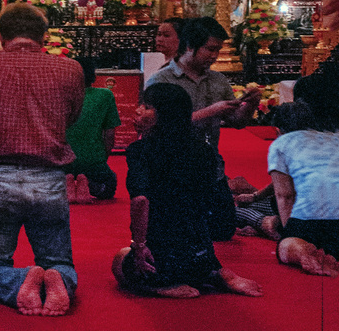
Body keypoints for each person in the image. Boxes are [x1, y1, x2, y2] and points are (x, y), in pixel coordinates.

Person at [0, 2, 85, 316]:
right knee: (58, 261)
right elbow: (70, 117)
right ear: (43, 38)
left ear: (0, 37)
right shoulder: (70, 69)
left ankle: (16, 283)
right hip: (49, 176)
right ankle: (57, 280)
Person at [112, 83, 262, 298]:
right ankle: (216, 273)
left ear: (165, 116)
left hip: (163, 261)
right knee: (189, 239)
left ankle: (162, 285)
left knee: (119, 261)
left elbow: (141, 202)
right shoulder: (204, 151)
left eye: (146, 107)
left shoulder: (141, 150)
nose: (137, 110)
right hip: (202, 256)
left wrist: (139, 247)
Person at [146, 17, 261, 151]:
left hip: (209, 160)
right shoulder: (162, 79)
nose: (214, 56)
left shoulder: (218, 79)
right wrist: (211, 111)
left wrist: (251, 104)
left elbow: (237, 122)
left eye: (218, 50)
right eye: (210, 49)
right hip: (168, 160)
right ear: (189, 46)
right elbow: (156, 125)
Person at [269, 67, 339, 276]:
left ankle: (298, 249)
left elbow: (285, 196)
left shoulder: (286, 142)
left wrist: (288, 232)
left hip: (309, 220)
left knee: (287, 243)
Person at [65, 57, 119, 202]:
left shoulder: (59, 95)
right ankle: (89, 185)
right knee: (109, 186)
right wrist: (101, 158)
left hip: (63, 161)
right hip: (92, 161)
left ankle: (66, 184)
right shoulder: (105, 95)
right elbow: (109, 134)